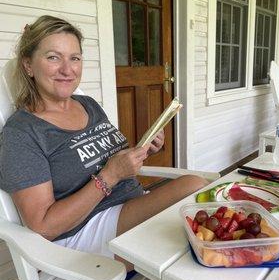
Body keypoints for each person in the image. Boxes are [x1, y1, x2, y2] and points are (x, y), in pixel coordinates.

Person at [0, 15, 207, 267]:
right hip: (82, 235)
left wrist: (142, 152)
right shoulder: (22, 133)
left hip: (128, 205)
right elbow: (44, 226)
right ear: (28, 65)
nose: (67, 69)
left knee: (200, 197)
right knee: (193, 189)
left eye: (74, 58)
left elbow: (104, 159)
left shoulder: (87, 105)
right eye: (53, 57)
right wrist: (110, 176)